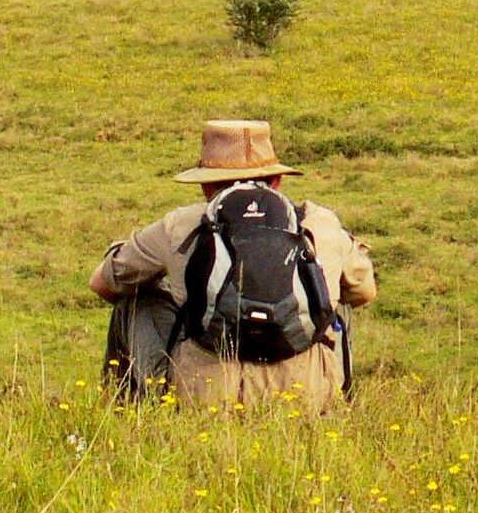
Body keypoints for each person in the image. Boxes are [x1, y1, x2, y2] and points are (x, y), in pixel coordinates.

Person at [89, 120, 375, 411]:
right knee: (336, 306)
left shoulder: (180, 225)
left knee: (134, 303)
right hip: (305, 396)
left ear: (206, 185)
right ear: (277, 181)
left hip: (204, 397)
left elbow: (103, 284)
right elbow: (364, 293)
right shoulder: (320, 224)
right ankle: (341, 407)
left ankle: (126, 417)